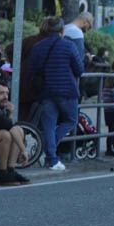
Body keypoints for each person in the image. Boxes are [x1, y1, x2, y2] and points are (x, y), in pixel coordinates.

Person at [27, 16, 84, 171]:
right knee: (71, 120)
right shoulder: (69, 46)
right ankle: (49, 152)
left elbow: (32, 69)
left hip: (46, 91)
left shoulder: (38, 47)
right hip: (67, 91)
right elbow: (80, 69)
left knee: (49, 125)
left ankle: (51, 158)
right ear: (61, 30)